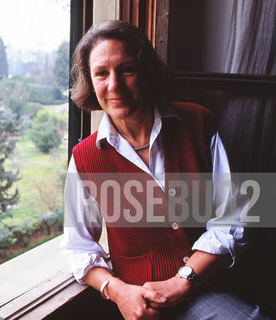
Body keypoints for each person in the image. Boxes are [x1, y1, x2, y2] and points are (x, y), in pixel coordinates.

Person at [61, 20, 270, 320]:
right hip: (139, 307)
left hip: (205, 290)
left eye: (127, 69)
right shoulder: (84, 158)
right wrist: (118, 291)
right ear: (90, 82)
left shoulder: (198, 122)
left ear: (145, 71)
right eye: (101, 74)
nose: (114, 85)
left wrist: (183, 281)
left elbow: (237, 215)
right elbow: (78, 247)